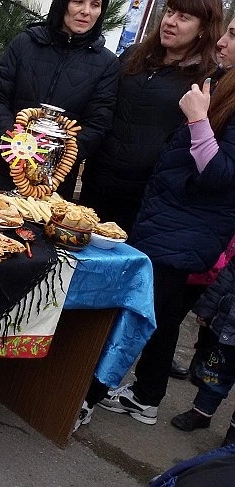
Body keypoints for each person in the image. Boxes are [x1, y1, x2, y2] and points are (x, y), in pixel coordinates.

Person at [96, 17, 235, 427]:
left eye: (233, 36)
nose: (222, 43)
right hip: (172, 218)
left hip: (186, 227)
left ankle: (96, 394)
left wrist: (197, 120)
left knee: (140, 313)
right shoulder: (223, 81)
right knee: (165, 312)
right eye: (228, 32)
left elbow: (220, 175)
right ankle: (146, 396)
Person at [79, 0, 222, 232]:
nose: (170, 22)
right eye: (170, 12)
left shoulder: (205, 80)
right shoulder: (134, 55)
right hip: (96, 181)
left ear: (203, 29)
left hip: (144, 199)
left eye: (184, 18)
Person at [0, 0, 118, 200]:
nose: (86, 12)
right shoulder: (25, 43)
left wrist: (51, 157)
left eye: (95, 5)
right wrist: (14, 144)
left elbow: (97, 124)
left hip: (52, 183)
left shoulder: (106, 63)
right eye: (78, 2)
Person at [170, 256, 235, 447]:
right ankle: (202, 412)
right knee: (214, 375)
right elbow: (224, 281)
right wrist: (207, 308)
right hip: (227, 330)